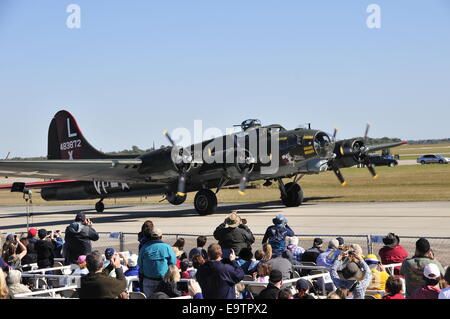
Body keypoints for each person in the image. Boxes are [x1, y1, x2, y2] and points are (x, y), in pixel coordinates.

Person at [138, 228, 177, 298]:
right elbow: (173, 263)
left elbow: (140, 264)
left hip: (148, 280)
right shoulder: (167, 247)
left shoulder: (144, 248)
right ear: (161, 236)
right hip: (164, 281)